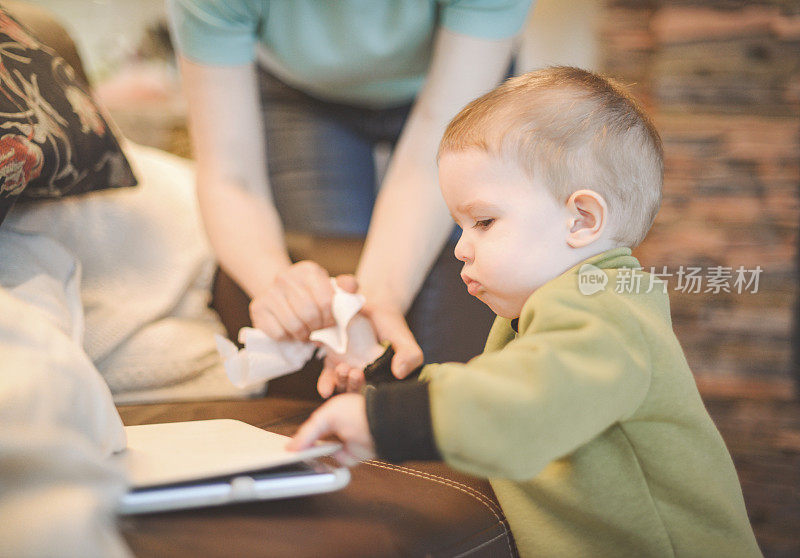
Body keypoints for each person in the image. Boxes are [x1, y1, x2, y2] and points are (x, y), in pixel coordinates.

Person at [289, 67, 763, 557]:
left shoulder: (607, 310)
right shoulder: (553, 310)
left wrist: (384, 420)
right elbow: (498, 395)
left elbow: (525, 400)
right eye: (460, 227)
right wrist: (377, 373)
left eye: (484, 222)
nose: (460, 249)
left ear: (581, 219)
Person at [166, 0, 535, 397]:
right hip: (300, 91)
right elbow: (229, 174)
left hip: (448, 76)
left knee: (460, 280)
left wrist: (379, 300)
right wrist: (282, 290)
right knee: (330, 310)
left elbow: (424, 164)